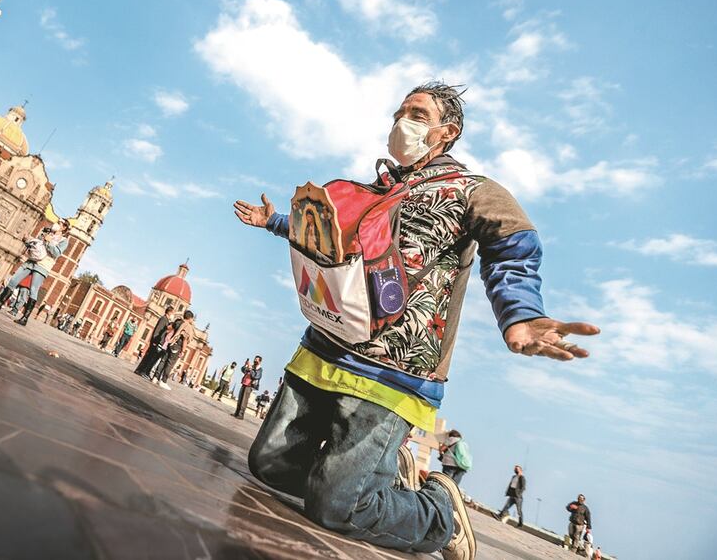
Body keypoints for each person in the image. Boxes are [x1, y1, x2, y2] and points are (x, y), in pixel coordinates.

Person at [234, 82, 600, 559]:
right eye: (400, 110)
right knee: (270, 465)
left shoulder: (473, 191)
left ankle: (438, 514)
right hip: (324, 347)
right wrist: (275, 222)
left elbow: (513, 246)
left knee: (338, 508)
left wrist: (522, 315)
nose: (400, 120)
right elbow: (329, 237)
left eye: (416, 113)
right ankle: (373, 475)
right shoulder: (377, 188)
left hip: (394, 369)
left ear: (447, 133)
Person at [0, 219, 70, 325]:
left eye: (60, 223)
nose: (56, 224)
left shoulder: (63, 240)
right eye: (57, 222)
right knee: (13, 281)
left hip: (43, 265)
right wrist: (27, 241)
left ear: (64, 228)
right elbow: (36, 243)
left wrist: (49, 242)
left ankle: (25, 317)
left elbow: (56, 253)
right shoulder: (47, 232)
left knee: (33, 290)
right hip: (31, 260)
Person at [152, 310, 195, 390]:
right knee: (170, 364)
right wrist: (183, 351)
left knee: (163, 360)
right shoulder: (187, 326)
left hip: (170, 343)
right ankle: (163, 381)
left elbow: (169, 328)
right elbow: (185, 340)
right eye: (192, 319)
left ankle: (155, 377)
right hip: (177, 346)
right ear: (190, 318)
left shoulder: (178, 322)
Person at [135, 305, 176, 378]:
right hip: (156, 341)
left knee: (150, 357)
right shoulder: (163, 319)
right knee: (149, 357)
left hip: (157, 341)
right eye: (173, 313)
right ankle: (142, 371)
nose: (173, 315)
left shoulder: (166, 320)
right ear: (169, 312)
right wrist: (155, 341)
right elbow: (158, 330)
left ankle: (141, 371)